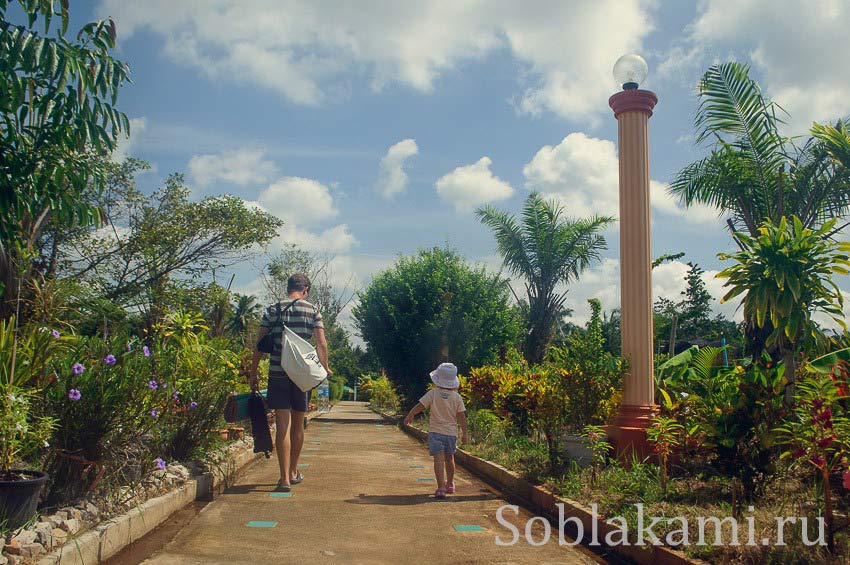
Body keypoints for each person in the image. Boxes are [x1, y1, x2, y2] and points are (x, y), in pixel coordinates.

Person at [250, 273, 331, 492]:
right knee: (298, 424)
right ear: (306, 290)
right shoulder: (313, 311)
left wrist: (253, 372)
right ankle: (294, 471)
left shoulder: (272, 310)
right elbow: (321, 344)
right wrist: (324, 368)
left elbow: (259, 345)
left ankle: (284, 478)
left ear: (288, 288)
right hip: (301, 377)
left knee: (282, 426)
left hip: (278, 374)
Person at [403, 362, 468, 499]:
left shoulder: (432, 394)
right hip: (451, 433)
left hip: (436, 432)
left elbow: (420, 406)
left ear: (437, 380)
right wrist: (464, 433)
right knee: (450, 458)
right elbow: (461, 416)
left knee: (438, 460)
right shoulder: (457, 397)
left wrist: (410, 415)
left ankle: (440, 488)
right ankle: (450, 484)